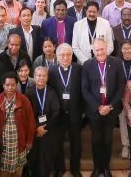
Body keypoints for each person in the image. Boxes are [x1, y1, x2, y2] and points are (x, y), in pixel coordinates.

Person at [81, 38, 125, 177]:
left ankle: (106, 168)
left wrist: (110, 106)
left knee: (108, 139)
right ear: (93, 51)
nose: (99, 52)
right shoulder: (87, 65)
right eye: (97, 50)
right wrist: (99, 106)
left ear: (106, 48)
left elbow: (121, 87)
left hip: (111, 110)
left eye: (102, 49)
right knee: (96, 139)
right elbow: (85, 89)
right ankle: (96, 167)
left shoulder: (117, 63)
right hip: (95, 111)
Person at [48, 43, 83, 177]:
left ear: (72, 56)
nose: (65, 57)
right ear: (57, 56)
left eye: (68, 55)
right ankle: (59, 168)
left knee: (76, 143)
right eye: (62, 55)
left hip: (75, 112)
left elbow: (84, 90)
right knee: (58, 143)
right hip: (58, 114)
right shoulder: (51, 70)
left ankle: (75, 169)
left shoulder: (79, 69)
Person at [0, 72, 36, 177]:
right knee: (3, 171)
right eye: (7, 85)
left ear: (16, 85)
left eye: (13, 85)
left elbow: (31, 122)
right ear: (3, 85)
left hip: (19, 142)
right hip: (3, 144)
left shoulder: (24, 100)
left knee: (18, 170)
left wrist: (29, 141)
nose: (10, 88)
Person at [26, 67, 60, 177]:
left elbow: (56, 112)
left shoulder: (51, 91)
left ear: (47, 77)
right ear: (34, 77)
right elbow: (27, 113)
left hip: (48, 129)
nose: (41, 78)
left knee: (46, 156)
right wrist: (37, 127)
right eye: (38, 75)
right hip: (34, 130)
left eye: (43, 76)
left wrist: (45, 128)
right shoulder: (29, 91)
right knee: (34, 156)